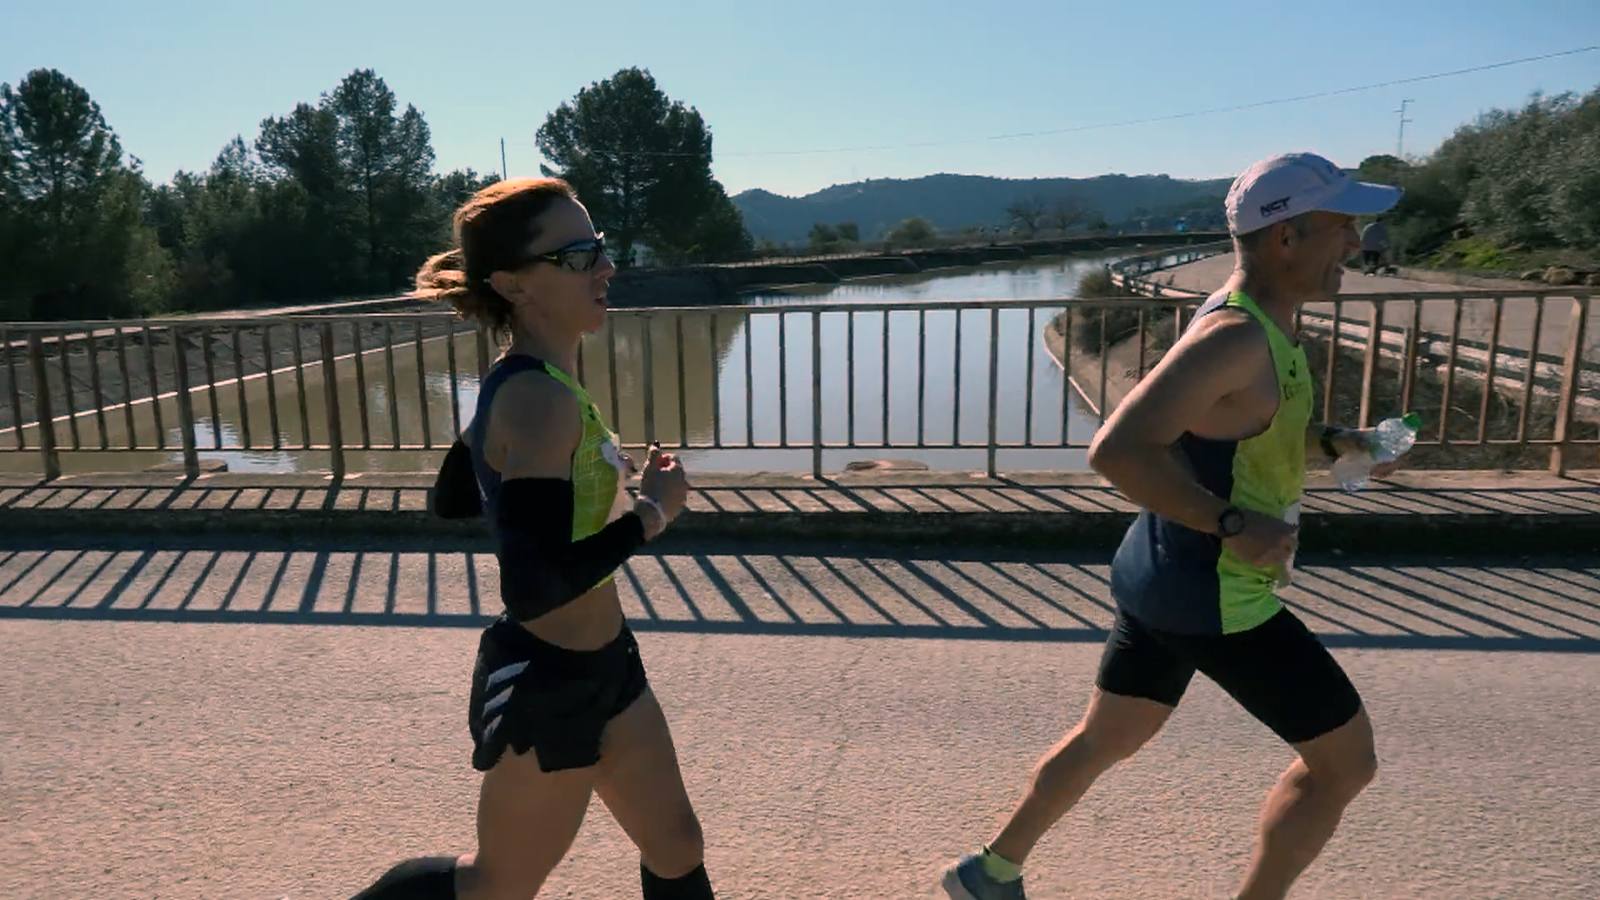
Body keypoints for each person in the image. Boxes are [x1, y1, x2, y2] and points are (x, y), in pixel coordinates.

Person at [940, 153, 1407, 900]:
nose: (1358, 243)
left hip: (1160, 579)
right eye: (1343, 225)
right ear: (1285, 237)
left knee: (1109, 736)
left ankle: (988, 870)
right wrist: (1231, 523)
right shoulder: (1236, 338)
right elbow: (1118, 450)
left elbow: (1232, 432)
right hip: (1217, 595)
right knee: (1346, 765)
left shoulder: (1260, 322)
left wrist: (1336, 447)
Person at [354, 177, 714, 899]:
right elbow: (534, 585)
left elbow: (452, 499)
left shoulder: (533, 380)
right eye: (579, 256)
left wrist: (497, 453)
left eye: (602, 248)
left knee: (676, 846)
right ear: (515, 285)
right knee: (496, 886)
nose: (605, 268)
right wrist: (652, 513)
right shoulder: (539, 397)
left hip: (609, 666)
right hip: (547, 683)